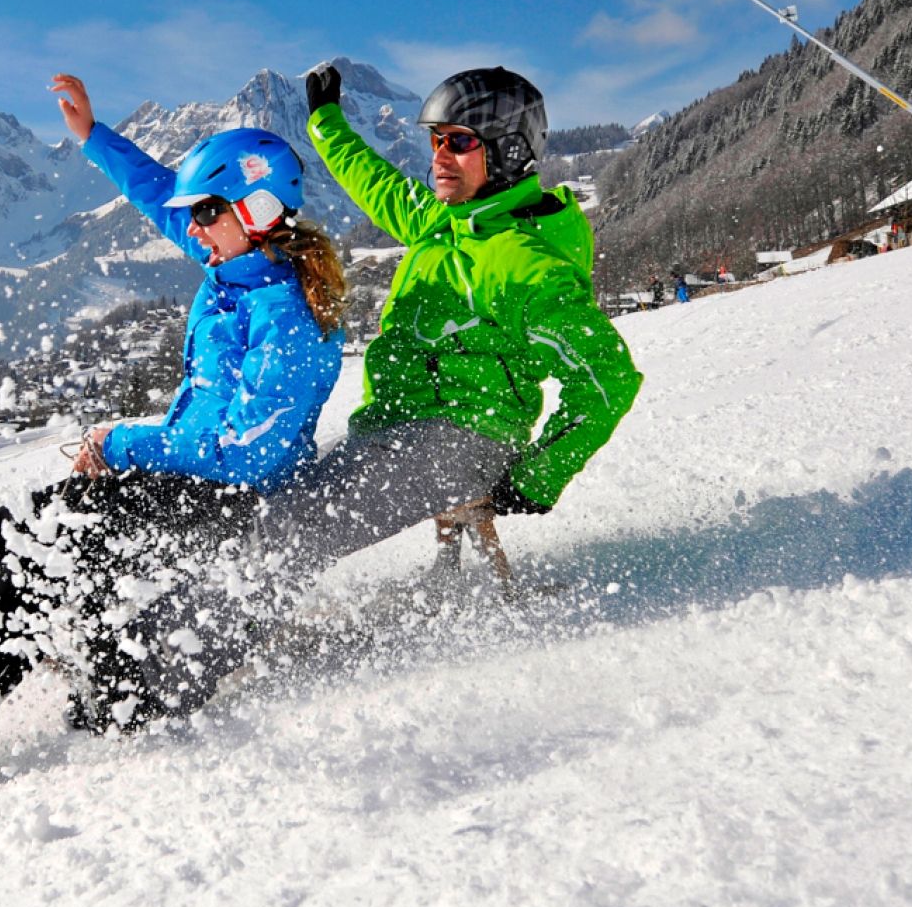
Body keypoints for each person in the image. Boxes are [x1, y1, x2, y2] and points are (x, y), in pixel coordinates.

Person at [0, 73, 347, 813]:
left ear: (257, 210)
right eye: (195, 214)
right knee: (19, 525)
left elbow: (247, 455)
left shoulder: (288, 319)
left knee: (40, 559)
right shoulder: (230, 267)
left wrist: (122, 444)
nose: (191, 228)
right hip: (185, 483)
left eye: (207, 212)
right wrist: (93, 137)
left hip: (232, 509)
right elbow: (159, 194)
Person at [269, 62, 643, 578]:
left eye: (460, 142)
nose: (440, 156)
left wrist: (536, 479)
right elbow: (376, 182)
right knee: (277, 496)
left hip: (460, 440)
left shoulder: (525, 266)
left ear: (509, 150)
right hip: (401, 428)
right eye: (437, 140)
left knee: (283, 530)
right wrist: (325, 121)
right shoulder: (445, 221)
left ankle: (207, 628)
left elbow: (607, 379)